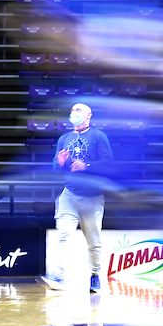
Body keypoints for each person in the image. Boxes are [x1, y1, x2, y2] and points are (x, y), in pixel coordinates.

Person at [42, 103, 113, 293]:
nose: (74, 113)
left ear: (89, 115)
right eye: (72, 110)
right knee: (63, 235)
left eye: (78, 110)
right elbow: (55, 167)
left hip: (92, 197)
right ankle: (60, 277)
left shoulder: (99, 136)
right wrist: (60, 162)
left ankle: (96, 276)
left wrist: (87, 166)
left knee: (93, 241)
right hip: (69, 195)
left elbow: (108, 164)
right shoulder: (64, 138)